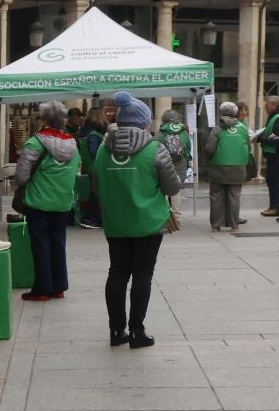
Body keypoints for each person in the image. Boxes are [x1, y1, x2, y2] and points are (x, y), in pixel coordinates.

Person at [95, 91, 182, 348]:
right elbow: (173, 187)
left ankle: (115, 331)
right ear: (145, 123)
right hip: (149, 223)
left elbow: (97, 188)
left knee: (117, 272)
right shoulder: (156, 150)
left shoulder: (103, 150)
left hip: (116, 222)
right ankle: (137, 331)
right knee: (143, 274)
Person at [14, 100, 82, 301]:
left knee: (40, 244)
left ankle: (42, 288)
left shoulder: (35, 143)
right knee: (58, 243)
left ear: (43, 120)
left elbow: (22, 177)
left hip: (39, 202)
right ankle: (59, 286)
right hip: (62, 204)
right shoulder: (73, 145)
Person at [203, 100, 251, 232]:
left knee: (216, 195)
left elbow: (210, 148)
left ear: (221, 112)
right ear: (235, 113)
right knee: (234, 195)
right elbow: (248, 146)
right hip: (238, 166)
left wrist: (207, 158)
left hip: (218, 166)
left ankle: (216, 225)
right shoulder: (242, 127)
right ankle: (234, 224)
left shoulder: (217, 128)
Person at [255, 102, 279, 217]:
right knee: (271, 180)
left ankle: (277, 207)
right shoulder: (274, 117)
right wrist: (260, 136)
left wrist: (261, 138)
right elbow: (268, 132)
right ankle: (274, 206)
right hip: (271, 154)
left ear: (274, 105)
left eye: (267, 105)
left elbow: (275, 137)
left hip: (275, 155)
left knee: (274, 181)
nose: (265, 107)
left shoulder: (278, 118)